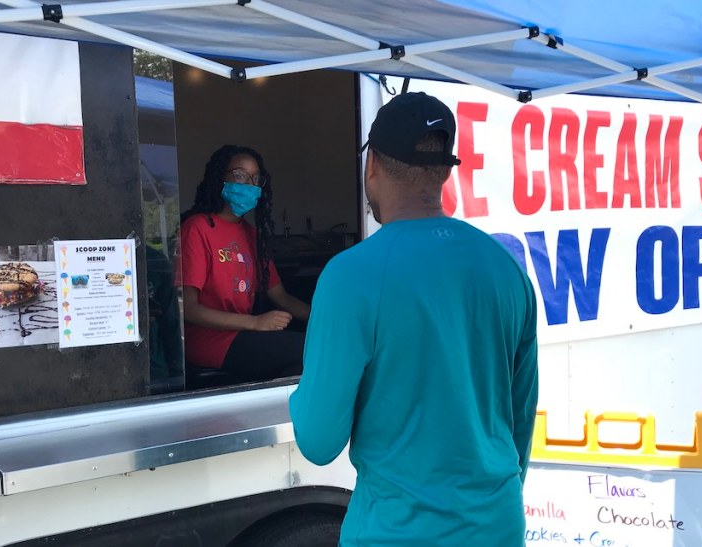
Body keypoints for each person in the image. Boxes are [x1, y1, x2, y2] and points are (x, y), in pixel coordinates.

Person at [289, 92, 539, 546]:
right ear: (444, 171)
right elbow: (519, 421)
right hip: (496, 526)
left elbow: (318, 441)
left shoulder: (351, 276)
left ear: (372, 167)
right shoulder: (506, 268)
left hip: (398, 532)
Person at [178, 145, 311, 382]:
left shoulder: (252, 235)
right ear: (220, 177)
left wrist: (323, 320)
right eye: (239, 175)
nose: (248, 184)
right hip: (208, 340)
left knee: (316, 346)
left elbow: (281, 297)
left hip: (242, 334)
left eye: (255, 179)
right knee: (304, 352)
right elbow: (187, 308)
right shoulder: (197, 228)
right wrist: (256, 322)